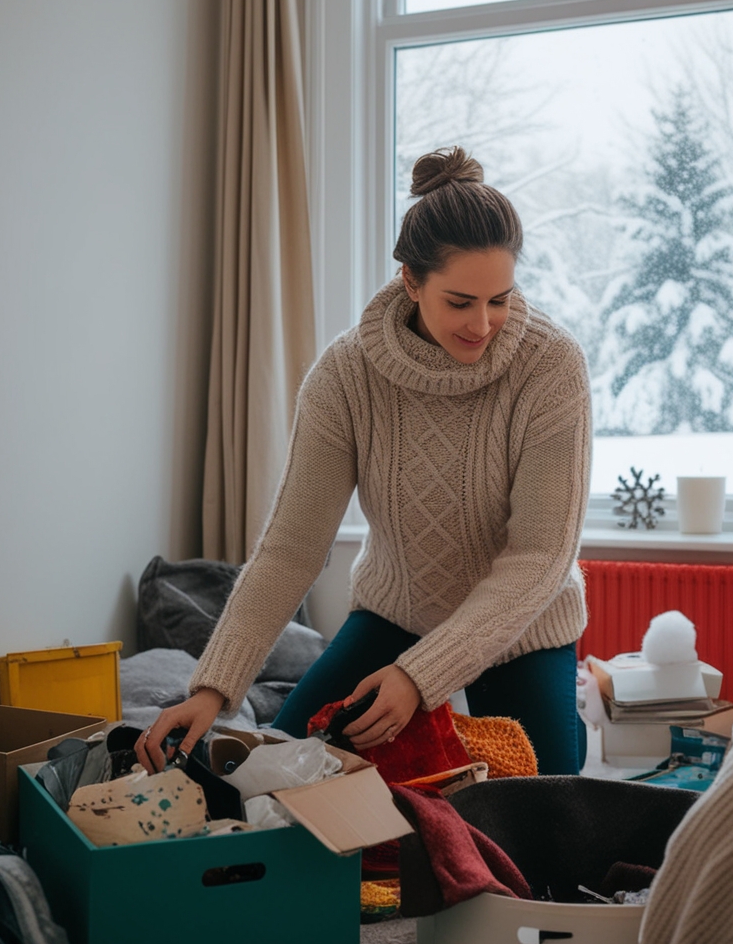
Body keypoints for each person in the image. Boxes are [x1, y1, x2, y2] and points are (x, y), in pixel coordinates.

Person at [137, 146, 592, 776]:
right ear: (410, 279)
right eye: (460, 302)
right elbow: (292, 548)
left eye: (501, 299)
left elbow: (540, 557)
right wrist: (213, 689)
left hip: (522, 626)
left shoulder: (552, 366)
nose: (484, 324)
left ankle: (565, 732)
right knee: (279, 772)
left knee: (546, 815)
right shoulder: (345, 376)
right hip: (398, 610)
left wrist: (419, 677)